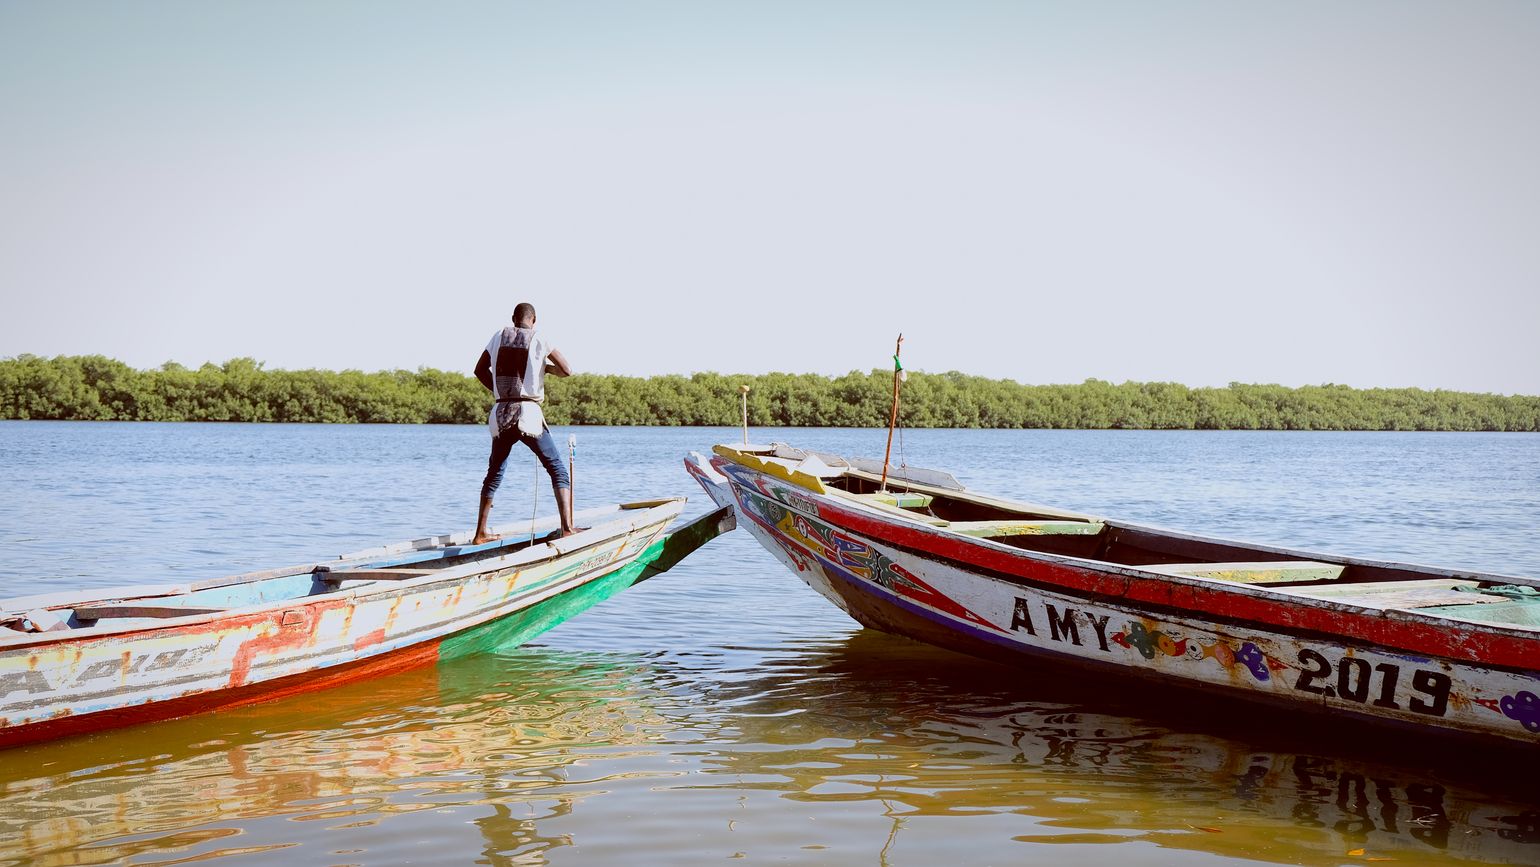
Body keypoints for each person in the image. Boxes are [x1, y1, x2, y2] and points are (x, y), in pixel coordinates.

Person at [472, 302, 574, 544]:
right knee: (557, 469)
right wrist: (546, 369)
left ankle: (480, 533)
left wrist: (499, 391)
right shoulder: (540, 338)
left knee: (494, 472)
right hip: (528, 413)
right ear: (534, 320)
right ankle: (568, 528)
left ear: (513, 318)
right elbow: (567, 370)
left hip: (501, 412)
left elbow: (479, 370)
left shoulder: (498, 335)